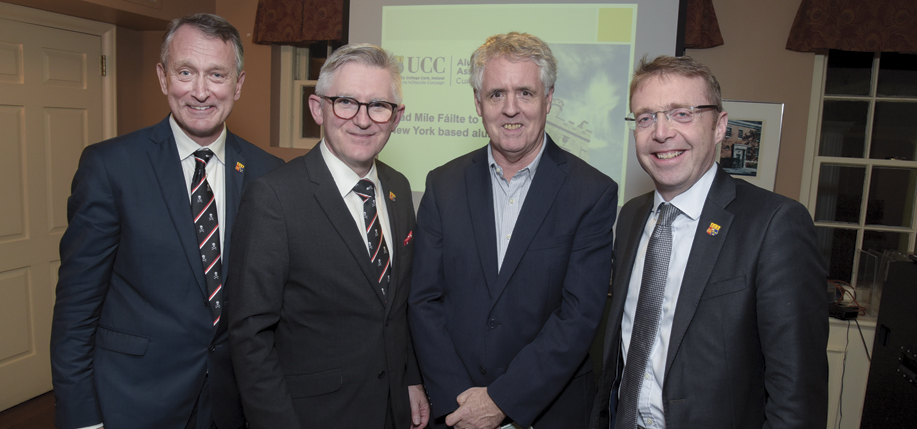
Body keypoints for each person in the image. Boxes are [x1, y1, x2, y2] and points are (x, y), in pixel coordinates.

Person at [50, 13, 282, 429]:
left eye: (216, 74)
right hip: (133, 400)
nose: (200, 91)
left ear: (238, 84)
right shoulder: (110, 167)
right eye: (185, 72)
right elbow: (75, 310)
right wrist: (81, 417)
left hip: (233, 403)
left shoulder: (269, 173)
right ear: (162, 77)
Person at [590, 55, 827, 429]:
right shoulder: (631, 216)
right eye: (646, 117)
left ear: (719, 126)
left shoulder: (774, 225)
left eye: (682, 113)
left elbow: (796, 395)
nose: (662, 132)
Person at [408, 32, 618, 429]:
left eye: (525, 93)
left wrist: (503, 400)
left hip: (549, 412)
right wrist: (461, 402)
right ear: (477, 103)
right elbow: (424, 300)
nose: (510, 109)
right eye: (495, 95)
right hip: (454, 409)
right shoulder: (442, 184)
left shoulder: (592, 192)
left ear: (548, 99)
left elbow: (579, 316)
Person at [227, 43, 429, 429]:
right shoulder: (274, 197)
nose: (363, 119)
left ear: (396, 117)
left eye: (378, 106)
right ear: (317, 108)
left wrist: (411, 377)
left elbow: (397, 309)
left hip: (393, 413)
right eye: (346, 102)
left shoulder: (397, 188)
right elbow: (250, 336)